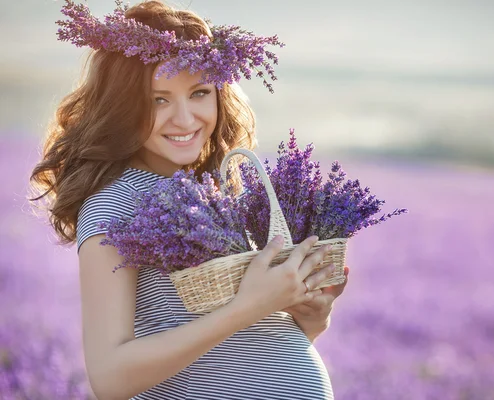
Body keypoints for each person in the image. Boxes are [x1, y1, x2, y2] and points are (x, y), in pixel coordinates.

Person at [28, 1, 349, 399]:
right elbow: (110, 377)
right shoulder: (115, 204)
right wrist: (248, 306)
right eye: (159, 99)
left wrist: (308, 319)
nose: (184, 118)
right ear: (122, 105)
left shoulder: (218, 193)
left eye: (199, 93)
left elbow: (237, 352)